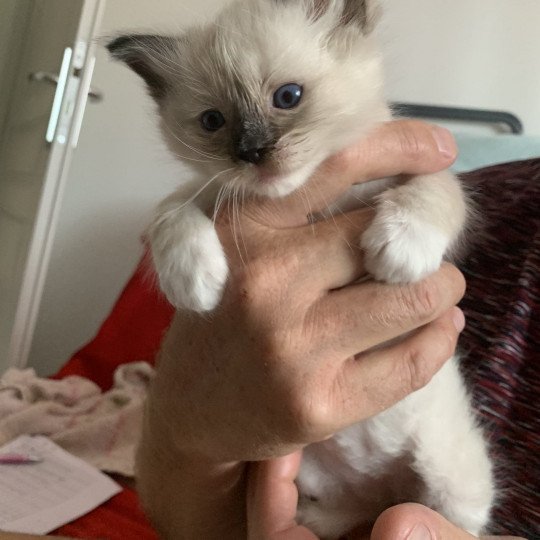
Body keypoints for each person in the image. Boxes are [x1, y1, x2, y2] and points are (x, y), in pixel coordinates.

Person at [136, 120, 522, 539]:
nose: (255, 146)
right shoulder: (502, 192)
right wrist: (181, 423)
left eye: (288, 98)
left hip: (419, 481)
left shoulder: (429, 187)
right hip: (303, 500)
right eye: (212, 121)